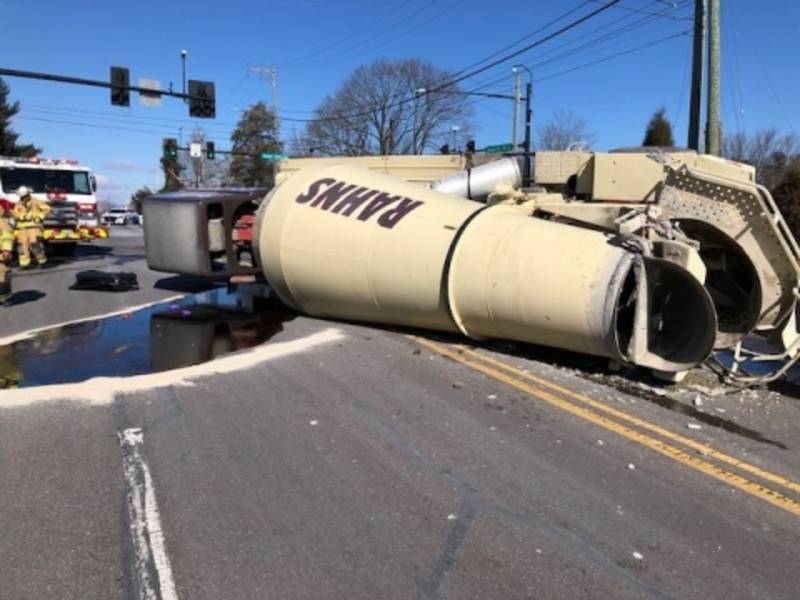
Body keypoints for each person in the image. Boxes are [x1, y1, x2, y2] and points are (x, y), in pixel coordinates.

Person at [12, 185, 50, 268]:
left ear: (28, 195)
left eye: (24, 196)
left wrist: (39, 216)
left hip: (34, 227)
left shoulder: (36, 201)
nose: (22, 198)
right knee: (22, 246)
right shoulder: (18, 203)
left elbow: (47, 209)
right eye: (21, 197)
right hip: (22, 228)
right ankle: (24, 264)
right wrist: (23, 216)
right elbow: (15, 214)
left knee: (35, 245)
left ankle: (42, 262)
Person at [0, 200, 14, 303]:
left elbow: (7, 236)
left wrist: (6, 249)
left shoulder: (2, 222)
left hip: (1, 255)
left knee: (2, 277)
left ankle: (5, 297)